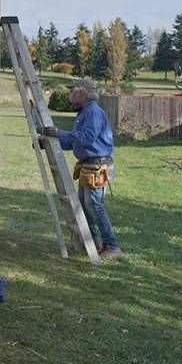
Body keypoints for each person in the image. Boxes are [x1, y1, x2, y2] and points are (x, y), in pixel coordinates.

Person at [41, 79, 123, 260]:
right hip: (89, 166)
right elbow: (73, 141)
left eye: (73, 90)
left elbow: (85, 138)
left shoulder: (92, 113)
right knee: (85, 207)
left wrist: (59, 132)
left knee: (94, 206)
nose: (71, 93)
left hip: (97, 166)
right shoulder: (85, 112)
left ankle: (113, 247)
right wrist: (47, 143)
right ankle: (95, 243)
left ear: (82, 93)